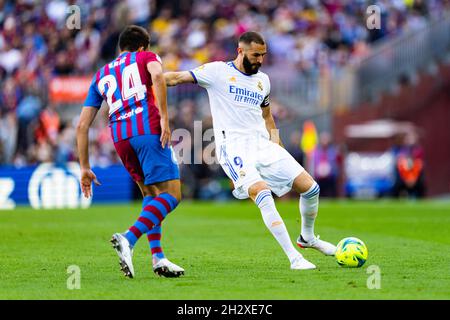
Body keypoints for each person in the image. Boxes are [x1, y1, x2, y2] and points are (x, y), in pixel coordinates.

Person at [164, 31, 336, 270]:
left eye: (263, 55)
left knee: (311, 188)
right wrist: (148, 79)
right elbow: (174, 78)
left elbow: (267, 115)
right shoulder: (217, 72)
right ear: (240, 51)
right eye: (256, 55)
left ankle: (307, 237)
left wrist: (277, 145)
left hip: (263, 144)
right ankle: (294, 258)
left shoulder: (263, 80)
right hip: (233, 147)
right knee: (263, 195)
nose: (260, 60)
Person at [76, 25, 184, 278]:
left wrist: (84, 166)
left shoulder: (101, 73)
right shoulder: (147, 57)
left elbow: (82, 125)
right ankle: (129, 237)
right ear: (142, 46)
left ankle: (158, 258)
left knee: (151, 193)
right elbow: (158, 76)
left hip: (120, 138)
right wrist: (166, 119)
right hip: (147, 130)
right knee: (172, 195)